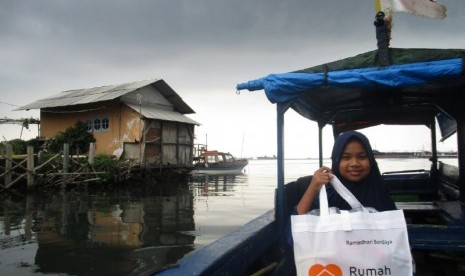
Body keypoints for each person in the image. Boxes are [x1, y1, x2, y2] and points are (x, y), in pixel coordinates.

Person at [296, 130, 396, 215]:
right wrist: (313, 187)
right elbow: (298, 221)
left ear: (371, 160)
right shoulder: (327, 194)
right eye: (346, 157)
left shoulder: (379, 191)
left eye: (362, 157)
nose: (355, 163)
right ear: (336, 161)